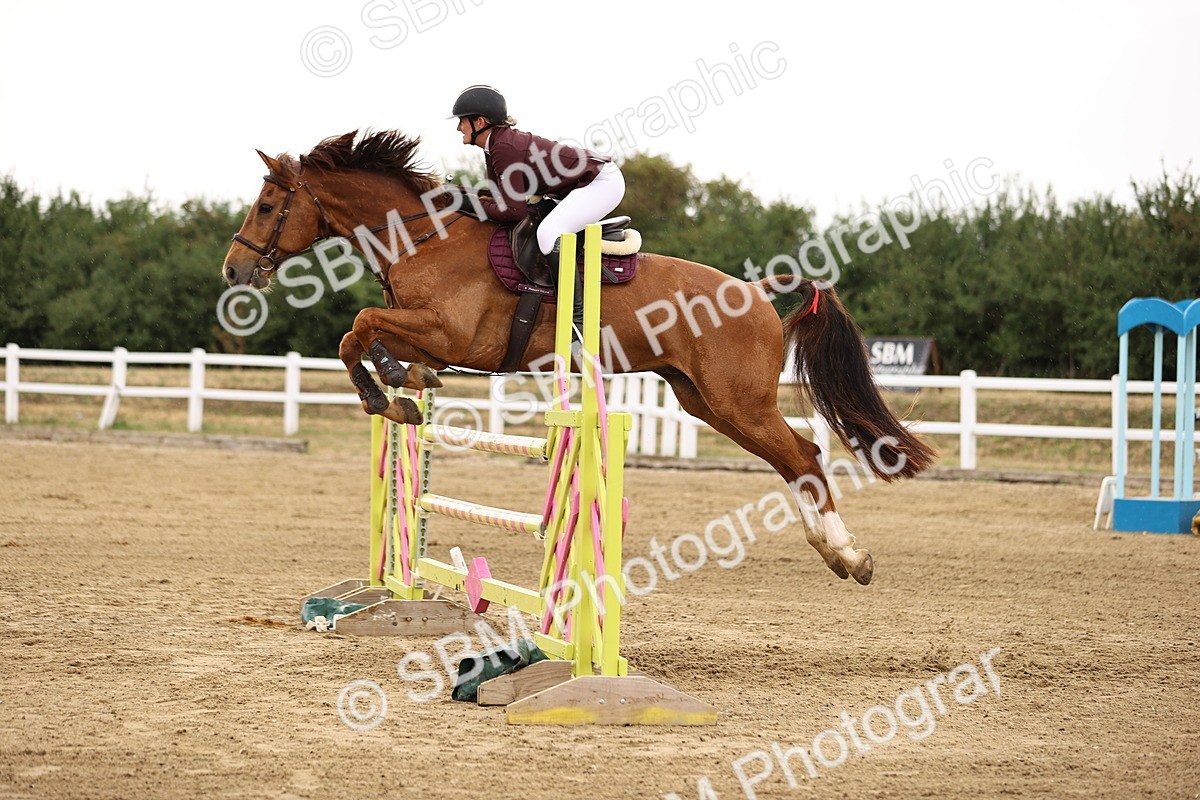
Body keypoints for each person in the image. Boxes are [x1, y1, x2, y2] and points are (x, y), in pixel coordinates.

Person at [451, 85, 625, 349]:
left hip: (600, 183)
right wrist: (462, 195)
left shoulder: (504, 147)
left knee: (548, 234)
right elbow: (501, 197)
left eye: (462, 121)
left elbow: (512, 211)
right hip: (575, 186)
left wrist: (466, 203)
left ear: (479, 122)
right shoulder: (494, 146)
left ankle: (578, 323)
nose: (458, 128)